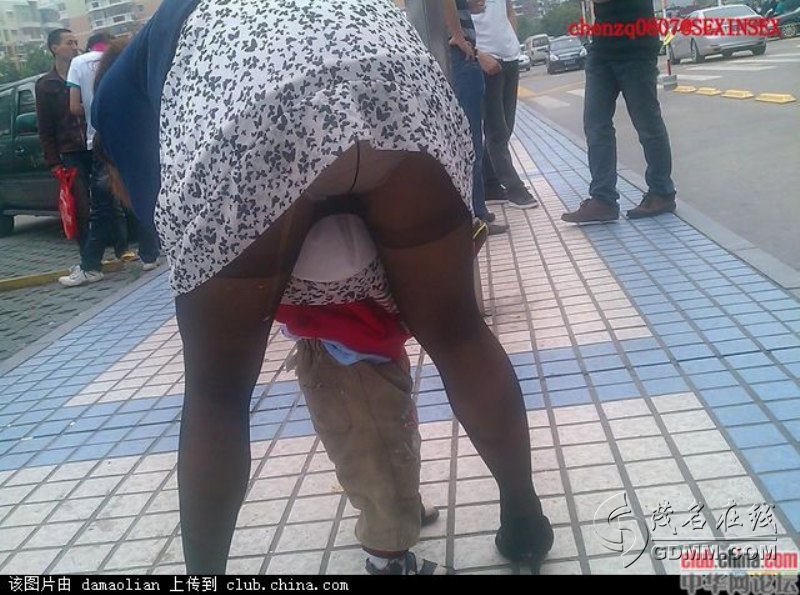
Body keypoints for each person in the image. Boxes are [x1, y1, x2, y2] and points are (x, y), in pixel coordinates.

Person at [94, 0, 553, 575]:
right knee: (460, 334)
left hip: (255, 110)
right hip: (399, 82)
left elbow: (161, 205)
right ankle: (525, 519)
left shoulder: (128, 76)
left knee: (217, 393)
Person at [59, 32, 160, 287]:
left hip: (105, 139)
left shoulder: (80, 64)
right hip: (146, 137)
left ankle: (90, 266)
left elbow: (75, 106)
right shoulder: (136, 57)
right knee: (148, 193)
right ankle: (150, 255)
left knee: (102, 205)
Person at [562, 0, 677, 224]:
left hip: (636, 48)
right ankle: (603, 200)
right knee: (596, 124)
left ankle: (662, 192)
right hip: (602, 47)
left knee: (647, 124)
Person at [444, 0, 508, 236]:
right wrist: (459, 37)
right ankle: (476, 214)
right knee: (470, 140)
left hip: (462, 54)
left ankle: (478, 209)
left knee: (471, 138)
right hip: (461, 55)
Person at [472, 0, 539, 210]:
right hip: (486, 59)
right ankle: (514, 187)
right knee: (496, 130)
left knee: (506, 127)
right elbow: (451, 23)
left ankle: (491, 185)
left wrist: (512, 40)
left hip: (510, 56)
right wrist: (478, 54)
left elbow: (509, 10)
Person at [35, 29, 90, 254]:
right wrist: (54, 162)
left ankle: (119, 247)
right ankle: (88, 256)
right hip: (70, 152)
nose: (75, 47)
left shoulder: (85, 74)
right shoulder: (46, 85)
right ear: (54, 48)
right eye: (69, 43)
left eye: (76, 42)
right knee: (81, 205)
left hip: (94, 145)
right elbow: (45, 127)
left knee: (108, 201)